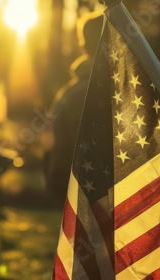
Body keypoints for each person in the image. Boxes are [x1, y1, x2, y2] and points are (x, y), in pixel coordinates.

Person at [44, 13, 103, 201]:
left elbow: (52, 145)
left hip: (77, 193)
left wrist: (57, 183)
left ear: (83, 47)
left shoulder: (69, 96)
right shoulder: (135, 90)